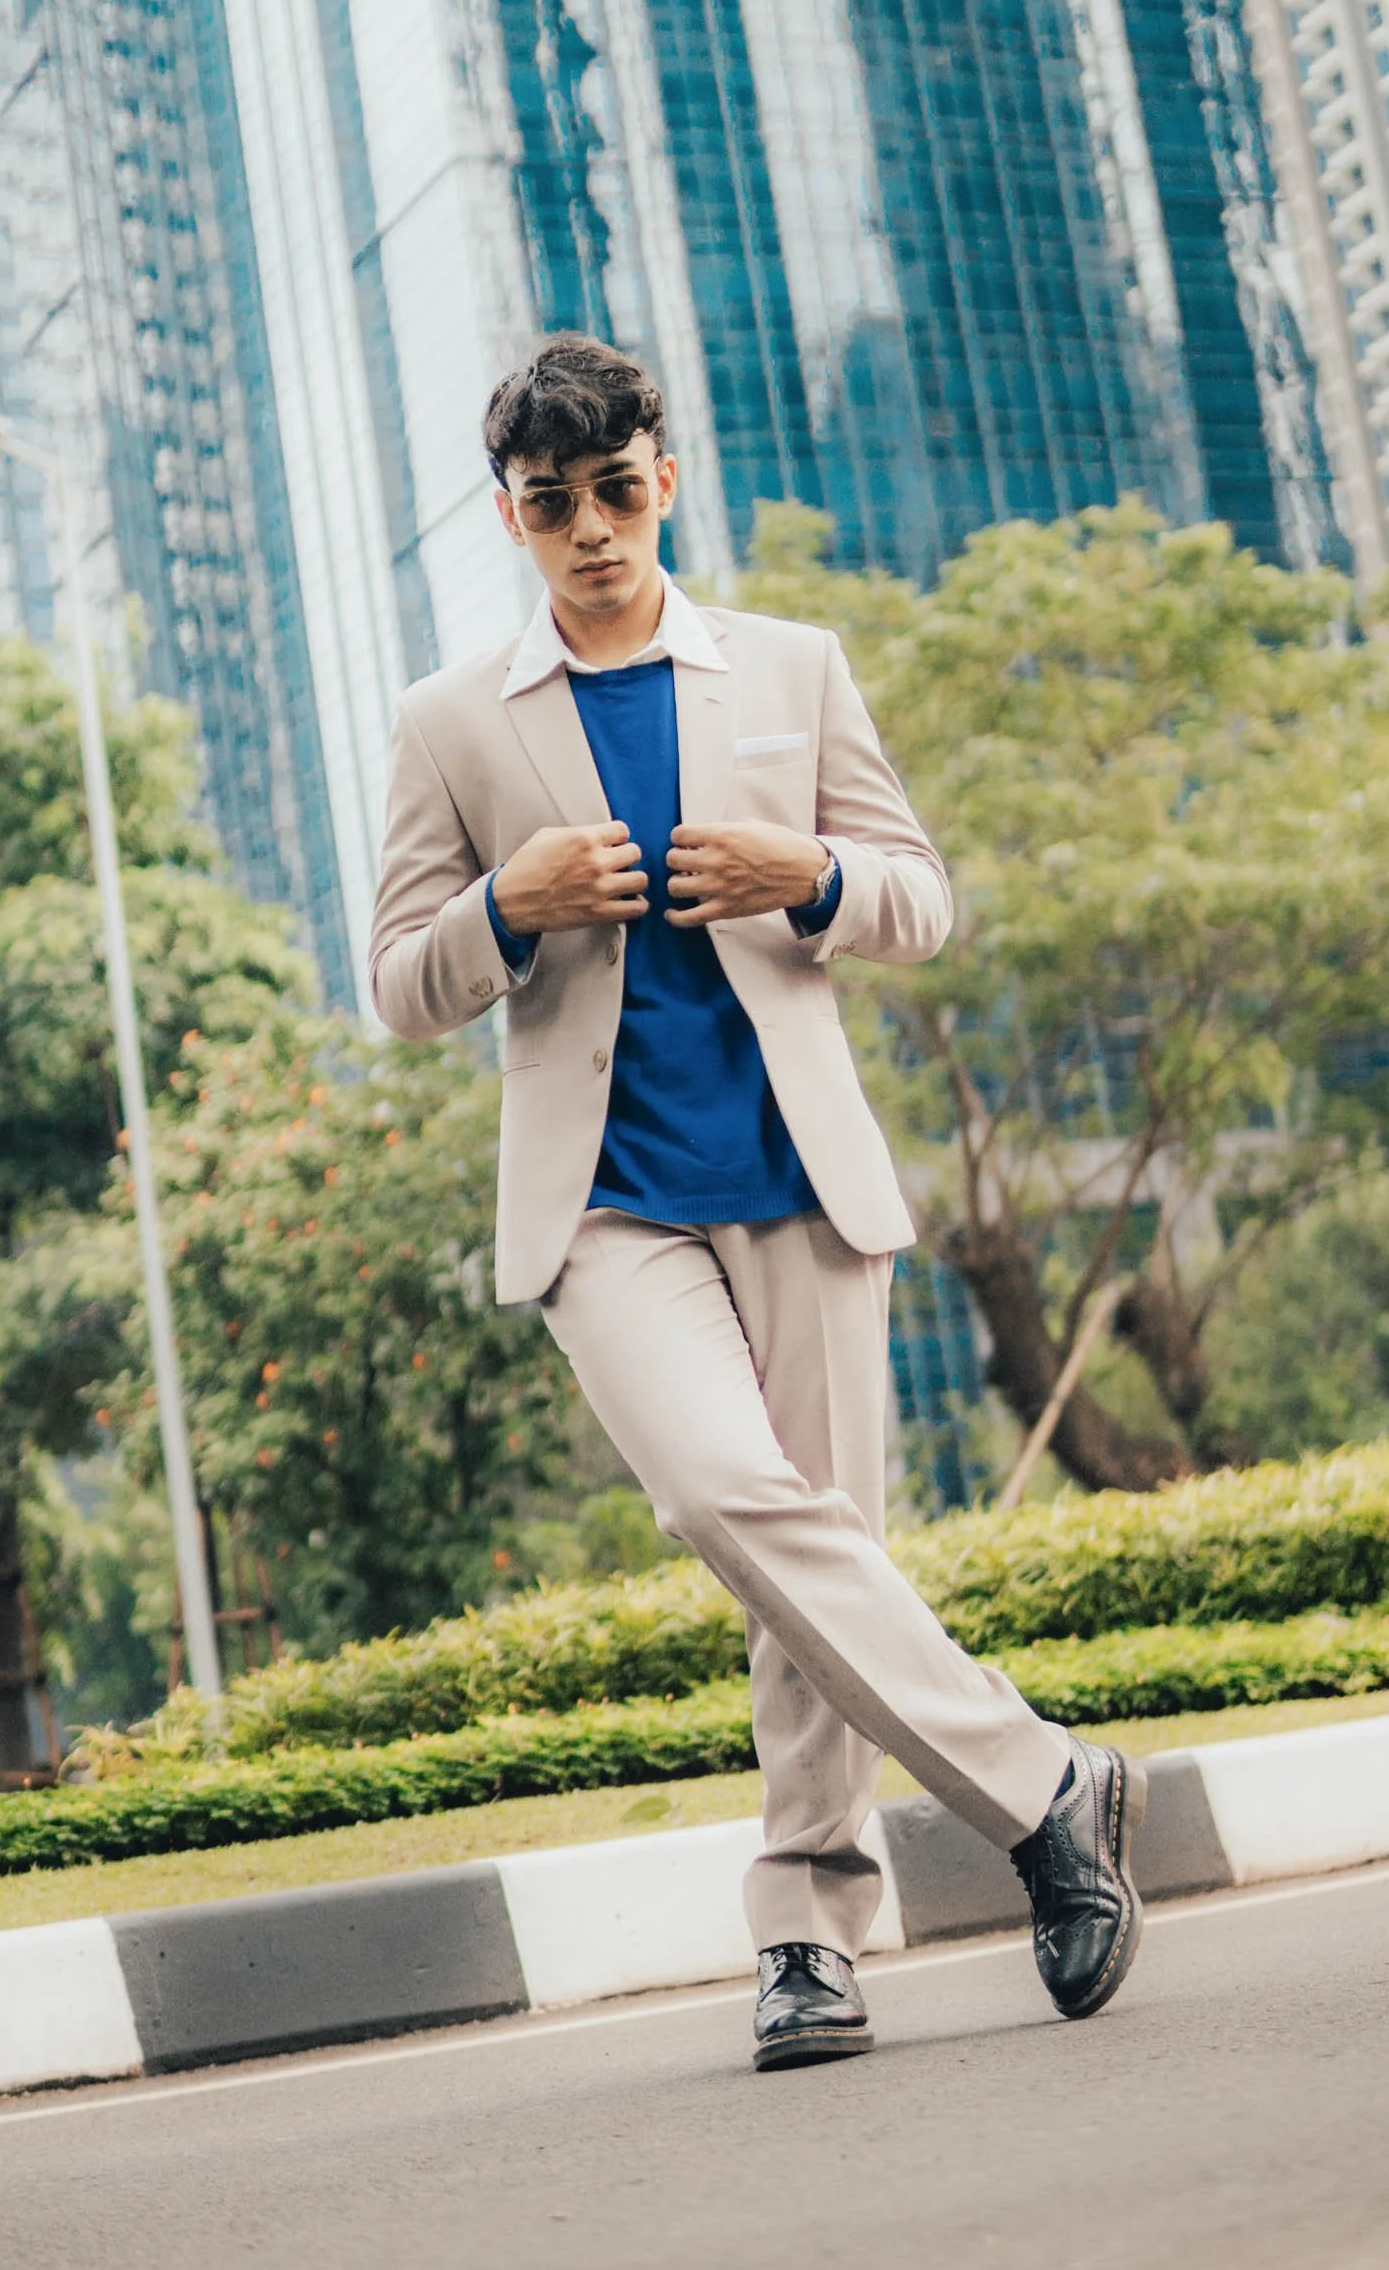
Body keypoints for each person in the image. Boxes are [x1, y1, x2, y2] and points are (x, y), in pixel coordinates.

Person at [369, 333, 1145, 2070]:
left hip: (799, 1177)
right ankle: (1049, 1788)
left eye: (619, 491)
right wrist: (509, 902)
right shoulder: (448, 723)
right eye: (553, 504)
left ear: (668, 479)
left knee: (817, 1563)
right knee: (732, 1497)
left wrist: (817, 878)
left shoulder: (794, 666)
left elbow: (922, 901)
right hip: (608, 1203)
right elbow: (398, 984)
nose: (592, 530)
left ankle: (809, 1933)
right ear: (511, 514)